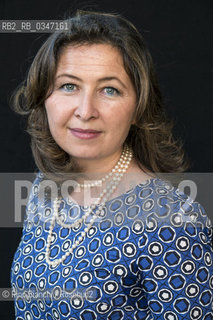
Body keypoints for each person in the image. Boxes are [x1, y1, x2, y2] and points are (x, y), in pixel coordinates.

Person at [10, 10, 213, 320]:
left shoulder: (173, 222)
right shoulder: (45, 184)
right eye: (69, 86)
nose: (86, 110)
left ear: (137, 108)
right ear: (43, 96)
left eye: (109, 90)